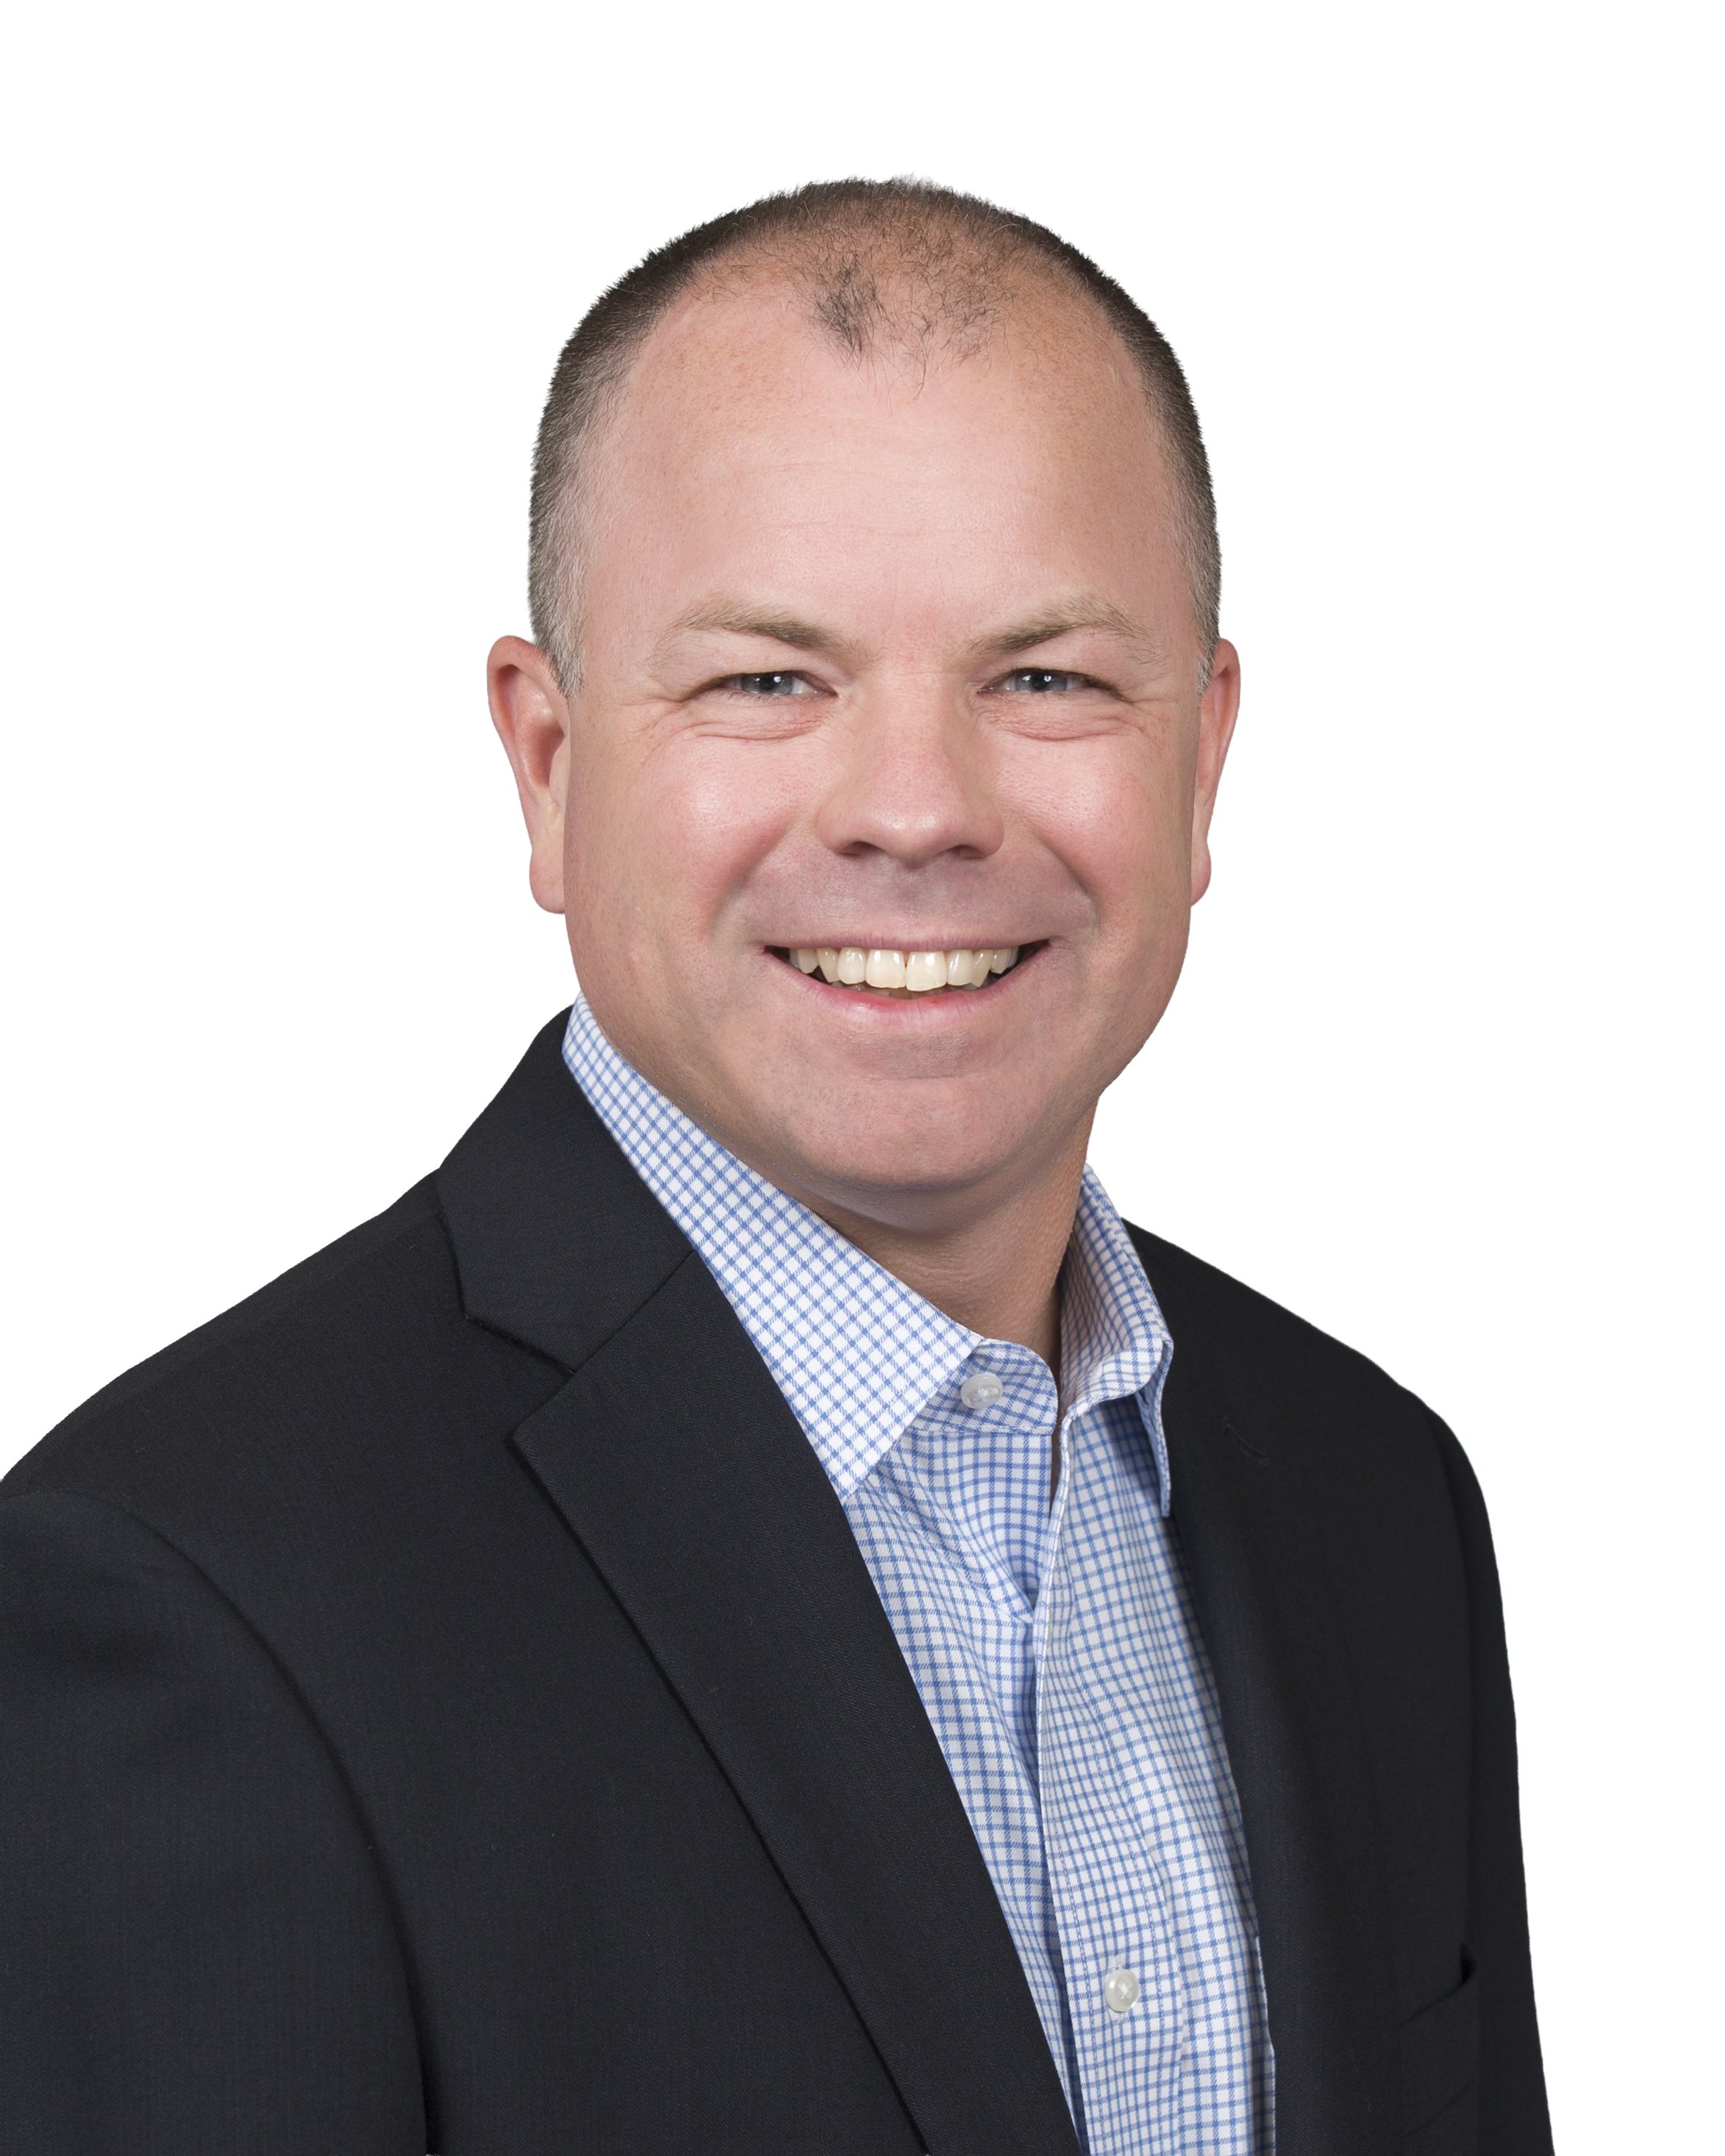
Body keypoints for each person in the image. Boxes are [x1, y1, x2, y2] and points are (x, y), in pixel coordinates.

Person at [0, 179, 1549, 2156]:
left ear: (1200, 756)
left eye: (1047, 676)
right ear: (547, 766)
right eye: (764, 679)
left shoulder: (1370, 1495)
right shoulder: (184, 1600)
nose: (915, 806)